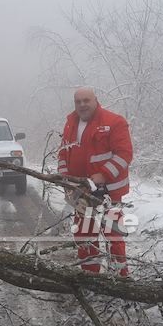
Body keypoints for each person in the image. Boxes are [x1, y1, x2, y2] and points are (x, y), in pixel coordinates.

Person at [57, 86, 133, 277]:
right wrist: (65, 180)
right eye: (78, 101)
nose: (82, 105)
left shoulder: (114, 122)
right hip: (81, 193)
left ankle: (120, 279)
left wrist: (102, 176)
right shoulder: (70, 123)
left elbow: (125, 154)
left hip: (109, 193)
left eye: (86, 100)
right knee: (84, 236)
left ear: (95, 100)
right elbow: (62, 153)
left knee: (113, 236)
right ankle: (90, 276)